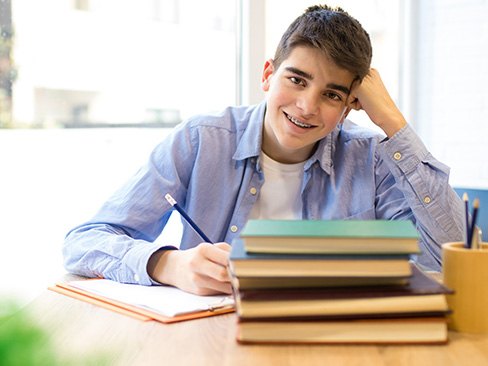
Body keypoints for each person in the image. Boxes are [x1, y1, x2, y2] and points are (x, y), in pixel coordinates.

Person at [63, 4, 464, 296]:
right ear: (268, 74)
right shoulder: (202, 139)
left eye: (331, 94)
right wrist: (169, 264)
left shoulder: (372, 157)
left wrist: (393, 123)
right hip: (210, 343)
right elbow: (85, 241)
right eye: (297, 79)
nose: (307, 106)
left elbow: (451, 260)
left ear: (348, 107)